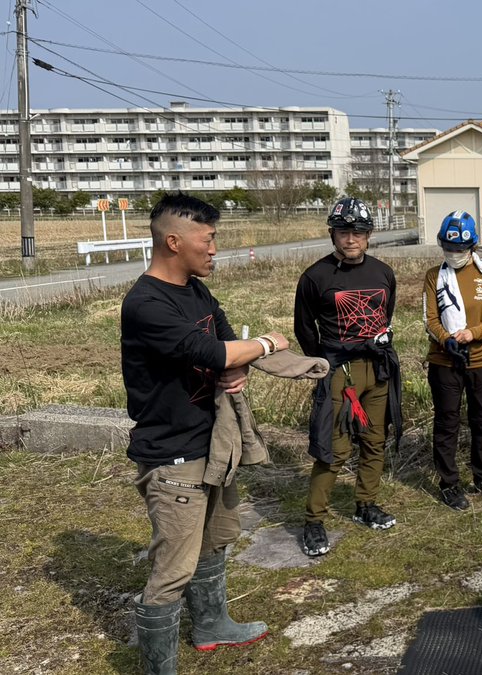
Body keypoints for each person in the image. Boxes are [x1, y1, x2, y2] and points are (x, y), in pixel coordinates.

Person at [121, 193, 285, 673]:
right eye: (207, 239)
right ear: (174, 242)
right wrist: (267, 343)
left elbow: (225, 343)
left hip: (215, 442)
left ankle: (212, 625)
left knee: (217, 539)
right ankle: (159, 668)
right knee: (173, 569)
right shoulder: (146, 303)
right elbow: (213, 352)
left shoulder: (197, 291)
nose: (214, 249)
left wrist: (242, 367)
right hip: (173, 454)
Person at [294, 197, 402, 557]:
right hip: (338, 369)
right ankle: (314, 519)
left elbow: (386, 313)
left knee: (374, 440)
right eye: (343, 232)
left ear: (369, 235)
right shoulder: (315, 277)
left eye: (358, 232)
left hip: (378, 366)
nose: (351, 238)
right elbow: (303, 327)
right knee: (333, 448)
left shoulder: (384, 273)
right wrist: (322, 362)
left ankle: (365, 504)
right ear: (332, 234)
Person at [423, 211, 482, 510]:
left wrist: (473, 333)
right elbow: (429, 319)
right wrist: (446, 338)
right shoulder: (435, 276)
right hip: (444, 362)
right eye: (448, 248)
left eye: (460, 249)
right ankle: (449, 483)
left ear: (472, 246)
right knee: (447, 423)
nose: (454, 254)